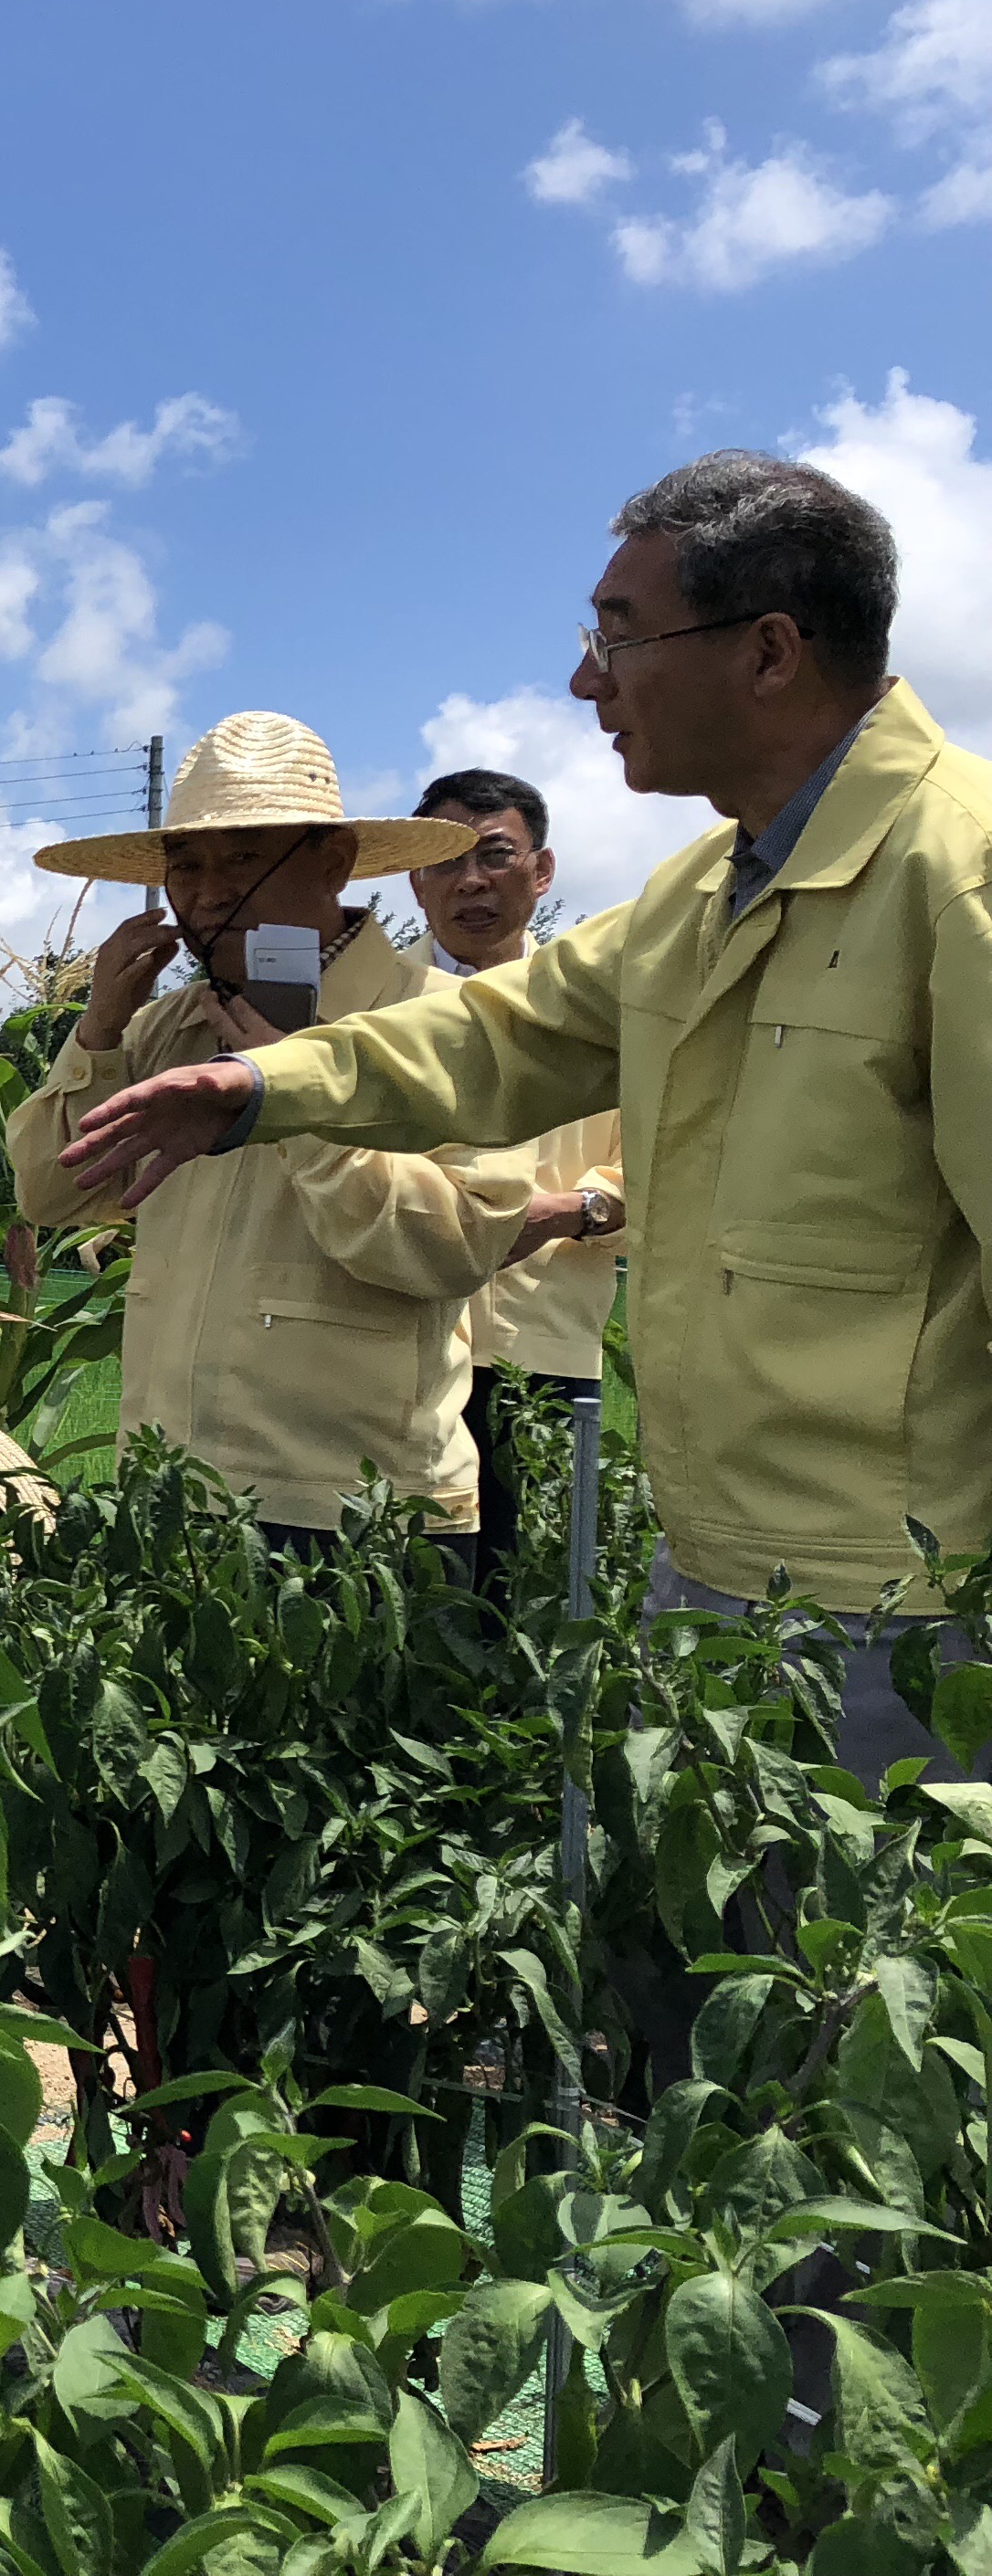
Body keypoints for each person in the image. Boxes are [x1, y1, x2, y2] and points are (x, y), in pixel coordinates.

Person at [58, 454, 992, 1780]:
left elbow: (442, 1208)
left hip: (902, 1604)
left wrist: (284, 1095)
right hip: (713, 1559)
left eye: (619, 635)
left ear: (771, 651)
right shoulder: (691, 901)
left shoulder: (959, 872)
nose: (586, 681)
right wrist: (262, 1085)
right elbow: (492, 1034)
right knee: (692, 1965)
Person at [8, 714, 533, 1566]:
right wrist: (99, 1030)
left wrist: (282, 1091)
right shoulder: (163, 1028)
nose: (210, 892)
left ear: (332, 862)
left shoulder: (443, 1021)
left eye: (245, 859)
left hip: (360, 1514)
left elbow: (460, 1243)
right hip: (166, 1489)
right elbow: (50, 1191)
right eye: (188, 865)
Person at [406, 769, 630, 1603]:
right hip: (397, 1345)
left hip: (542, 1350)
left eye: (494, 855)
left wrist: (577, 1210)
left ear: (542, 871)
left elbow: (663, 1158)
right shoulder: (367, 1006)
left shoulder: (598, 1010)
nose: (470, 882)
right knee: (398, 1605)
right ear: (414, 881)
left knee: (533, 1601)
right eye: (445, 861)